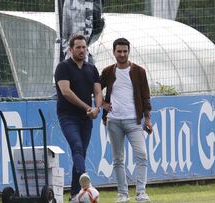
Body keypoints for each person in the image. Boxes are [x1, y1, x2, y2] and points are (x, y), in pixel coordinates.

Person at [100, 38, 152, 203]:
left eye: (125, 51)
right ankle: (123, 194)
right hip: (114, 121)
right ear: (114, 52)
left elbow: (145, 96)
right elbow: (96, 89)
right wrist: (103, 103)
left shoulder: (139, 71)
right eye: (119, 51)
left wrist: (148, 119)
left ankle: (141, 193)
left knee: (142, 155)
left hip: (134, 121)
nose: (122, 54)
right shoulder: (108, 71)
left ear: (129, 52)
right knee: (117, 159)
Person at [54, 34, 102, 202]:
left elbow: (97, 91)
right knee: (76, 146)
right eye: (78, 47)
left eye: (84, 47)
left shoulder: (92, 69)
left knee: (81, 152)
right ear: (71, 49)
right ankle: (85, 180)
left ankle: (75, 195)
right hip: (68, 115)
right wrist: (88, 107)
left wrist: (96, 108)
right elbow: (66, 92)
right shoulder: (63, 67)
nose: (82, 50)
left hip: (86, 117)